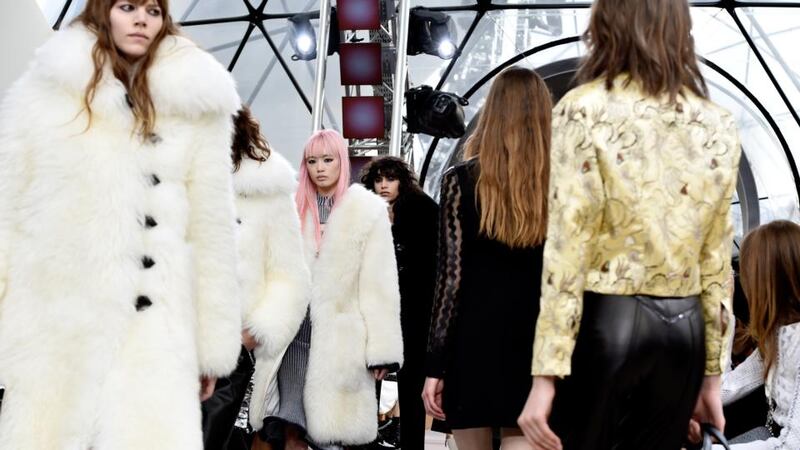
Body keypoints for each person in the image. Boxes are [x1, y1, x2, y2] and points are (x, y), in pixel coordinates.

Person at [0, 0, 242, 448]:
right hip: (59, 316)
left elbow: (211, 232)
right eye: (128, 6)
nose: (140, 20)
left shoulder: (196, 102)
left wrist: (213, 346)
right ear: (103, 11)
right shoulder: (48, 91)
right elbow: (10, 211)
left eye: (152, 9)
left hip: (152, 323)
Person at [517, 0, 742, 449]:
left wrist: (545, 376)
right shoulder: (717, 122)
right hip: (685, 333)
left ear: (605, 24)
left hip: (610, 321)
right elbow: (717, 261)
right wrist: (711, 376)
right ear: (680, 27)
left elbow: (567, 249)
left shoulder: (582, 109)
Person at [421, 66, 551, 450]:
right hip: (538, 349)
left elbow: (450, 281)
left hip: (472, 347)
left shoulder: (459, 182)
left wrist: (435, 367)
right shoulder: (564, 185)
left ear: (492, 114)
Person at [255, 129, 403, 449]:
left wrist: (382, 350)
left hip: (341, 341)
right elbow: (270, 270)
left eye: (327, 159)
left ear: (341, 162)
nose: (319, 167)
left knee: (330, 435)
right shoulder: (290, 209)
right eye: (312, 160)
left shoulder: (366, 211)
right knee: (291, 423)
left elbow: (380, 285)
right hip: (293, 336)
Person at [201, 106, 311, 450]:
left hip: (224, 355)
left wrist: (249, 337)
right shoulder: (169, 185)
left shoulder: (266, 193)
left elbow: (290, 278)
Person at [361, 156, 439, 450]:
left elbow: (433, 262)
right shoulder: (367, 213)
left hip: (416, 308)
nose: (383, 185)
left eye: (390, 179)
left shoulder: (423, 210)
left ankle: (411, 444)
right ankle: (367, 439)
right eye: (378, 179)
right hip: (378, 308)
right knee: (369, 377)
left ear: (402, 181)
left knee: (412, 383)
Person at [715, 220, 800, 449]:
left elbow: (791, 446)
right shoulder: (776, 338)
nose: (744, 283)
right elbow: (722, 389)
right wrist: (725, 318)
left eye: (747, 275)